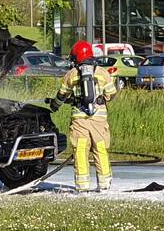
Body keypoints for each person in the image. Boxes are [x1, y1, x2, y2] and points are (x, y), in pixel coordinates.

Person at [51, 40, 118, 192]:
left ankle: (82, 186)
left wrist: (54, 105)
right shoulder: (102, 72)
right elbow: (111, 94)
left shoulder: (72, 74)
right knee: (100, 148)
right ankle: (104, 184)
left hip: (79, 119)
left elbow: (61, 95)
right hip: (99, 119)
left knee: (81, 150)